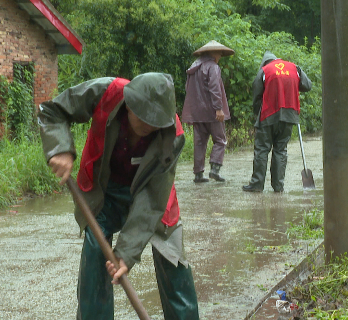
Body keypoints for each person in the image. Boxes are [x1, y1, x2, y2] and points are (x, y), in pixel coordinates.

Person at [38, 73, 199, 319]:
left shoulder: (172, 135)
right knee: (96, 256)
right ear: (129, 102)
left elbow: (154, 197)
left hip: (153, 192)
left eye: (155, 122)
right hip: (106, 189)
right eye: (142, 116)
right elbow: (52, 111)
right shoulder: (107, 92)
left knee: (173, 257)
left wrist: (126, 253)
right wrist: (59, 148)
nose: (148, 126)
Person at [242, 51, 312, 192]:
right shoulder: (294, 68)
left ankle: (257, 185)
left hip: (269, 114)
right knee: (280, 150)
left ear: (265, 62)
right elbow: (307, 85)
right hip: (290, 114)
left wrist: (258, 114)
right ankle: (278, 186)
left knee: (262, 149)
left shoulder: (265, 71)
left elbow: (256, 94)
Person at [182, 40, 234, 183]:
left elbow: (188, 89)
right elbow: (214, 88)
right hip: (212, 111)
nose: (220, 56)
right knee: (220, 140)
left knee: (199, 142)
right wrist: (218, 108)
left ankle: (198, 174)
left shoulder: (193, 68)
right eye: (219, 53)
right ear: (212, 53)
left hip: (197, 112)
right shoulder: (213, 67)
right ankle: (215, 169)